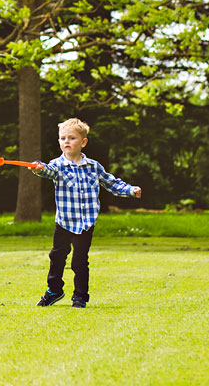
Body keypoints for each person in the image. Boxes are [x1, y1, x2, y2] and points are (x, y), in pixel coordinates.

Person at [30, 118, 141, 308]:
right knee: (56, 257)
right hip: (64, 222)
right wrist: (38, 167)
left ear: (83, 142)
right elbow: (46, 171)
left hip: (85, 223)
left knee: (80, 261)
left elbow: (111, 183)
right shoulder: (57, 166)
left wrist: (130, 190)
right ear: (59, 142)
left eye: (72, 138)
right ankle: (54, 290)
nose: (66, 141)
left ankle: (80, 296)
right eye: (63, 138)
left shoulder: (93, 167)